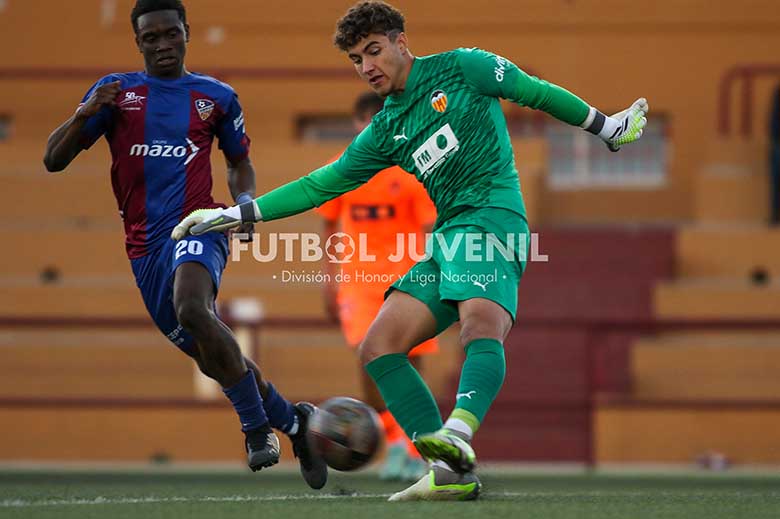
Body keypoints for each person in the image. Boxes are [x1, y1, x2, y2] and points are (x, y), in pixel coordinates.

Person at [172, 0, 648, 501]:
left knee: (480, 324)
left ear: (402, 42)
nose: (367, 66)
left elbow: (537, 92)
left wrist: (607, 128)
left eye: (374, 51)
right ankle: (448, 472)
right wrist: (234, 214)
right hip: (448, 237)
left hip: (493, 219)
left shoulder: (465, 67)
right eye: (357, 59)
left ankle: (459, 433)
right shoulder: (384, 130)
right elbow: (320, 186)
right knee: (379, 347)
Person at [42, 0, 327, 490]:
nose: (162, 45)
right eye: (150, 38)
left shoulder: (215, 96)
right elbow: (53, 160)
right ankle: (297, 424)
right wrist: (84, 114)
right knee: (210, 354)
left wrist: (243, 203)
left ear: (186, 33)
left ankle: (258, 430)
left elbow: (239, 161)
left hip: (200, 224)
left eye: (170, 34)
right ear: (138, 42)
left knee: (193, 308)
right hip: (144, 248)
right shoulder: (116, 93)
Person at [317, 91, 437, 481]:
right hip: (358, 285)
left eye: (380, 121)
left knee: (410, 362)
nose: (372, 129)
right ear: (357, 125)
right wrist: (328, 280)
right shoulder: (343, 169)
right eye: (365, 122)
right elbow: (328, 227)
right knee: (370, 361)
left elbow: (429, 229)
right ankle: (396, 439)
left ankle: (408, 448)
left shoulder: (412, 172)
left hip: (407, 282)